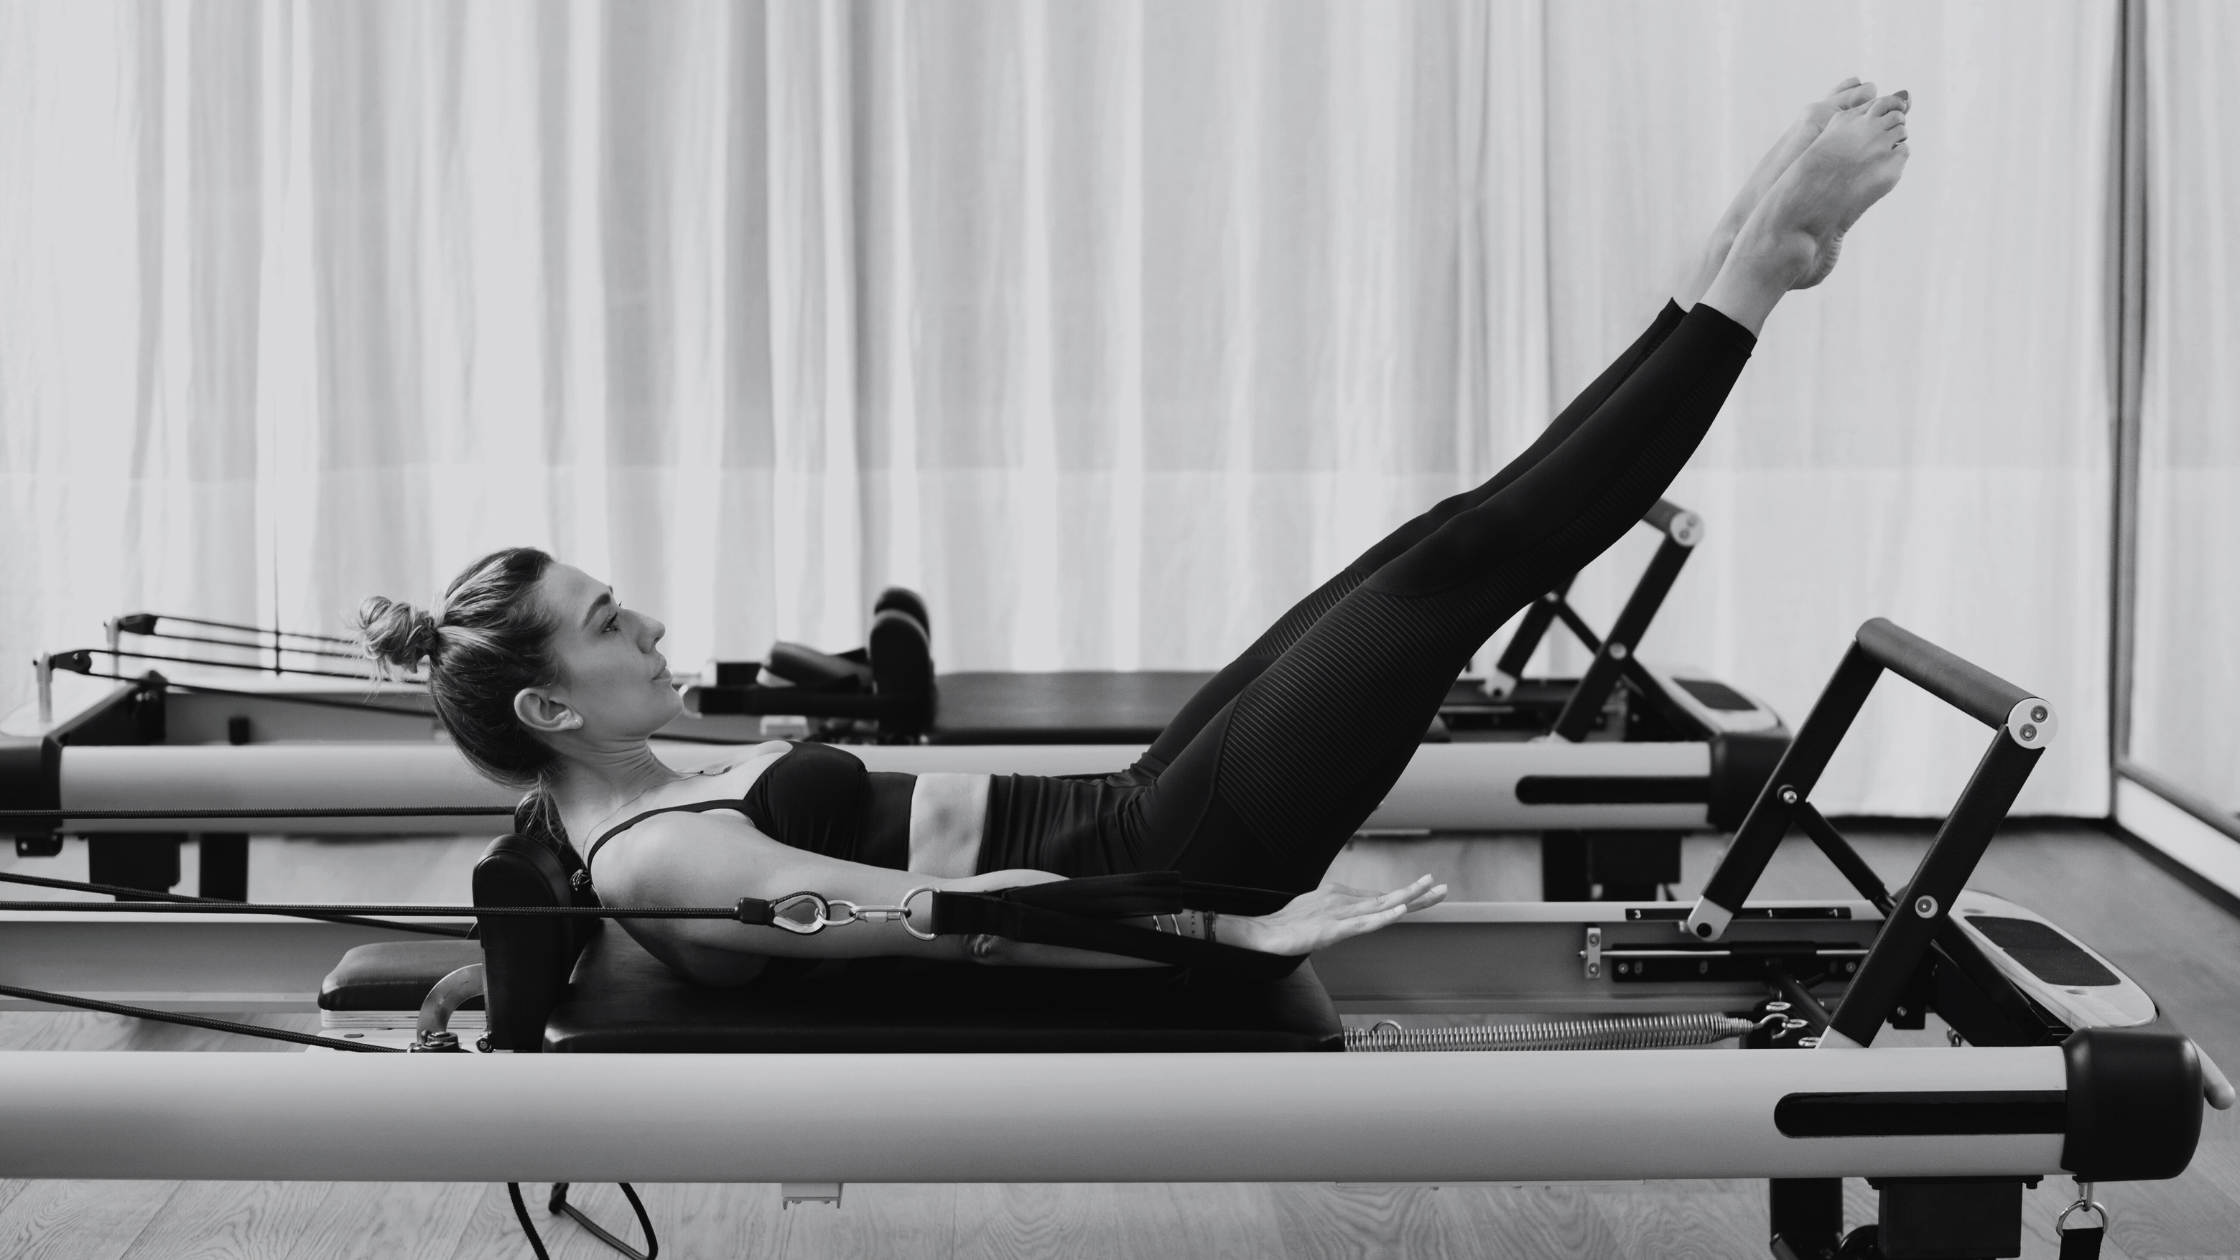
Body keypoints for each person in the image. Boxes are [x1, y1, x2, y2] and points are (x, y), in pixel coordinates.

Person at [361, 82, 1909, 985]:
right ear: (556, 704)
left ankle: (1719, 269)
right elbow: (942, 926)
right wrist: (1231, 930)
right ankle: (1755, 274)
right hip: (1187, 851)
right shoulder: (666, 859)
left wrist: (466, 978)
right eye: (608, 622)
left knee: (1440, 537)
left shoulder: (590, 814)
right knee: (1457, 577)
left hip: (1145, 789)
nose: (643, 624)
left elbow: (535, 881)